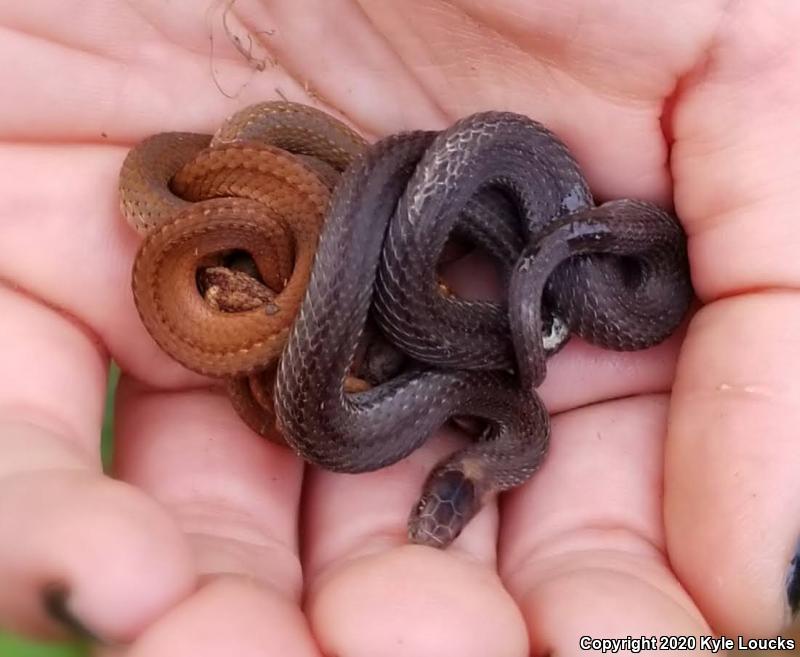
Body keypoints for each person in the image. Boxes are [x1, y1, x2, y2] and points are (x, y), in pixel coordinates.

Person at [0, 1, 797, 654]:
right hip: (415, 200)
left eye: (432, 508)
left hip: (464, 201)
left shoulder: (504, 391)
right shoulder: (484, 391)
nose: (427, 514)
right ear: (468, 475)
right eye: (438, 508)